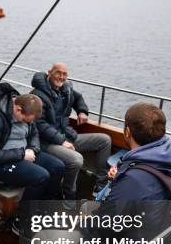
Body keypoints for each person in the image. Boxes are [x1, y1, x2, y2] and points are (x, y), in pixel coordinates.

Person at [36, 103, 171, 244]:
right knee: (85, 209)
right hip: (143, 236)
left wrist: (84, 224)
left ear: (127, 132)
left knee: (42, 239)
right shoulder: (169, 156)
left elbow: (107, 227)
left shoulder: (134, 180)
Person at [0, 83, 65, 200]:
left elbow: (34, 133)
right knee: (41, 176)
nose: (26, 123)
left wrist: (32, 148)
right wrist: (22, 154)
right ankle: (23, 214)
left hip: (23, 154)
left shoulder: (27, 112)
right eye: (24, 120)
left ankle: (46, 204)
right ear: (18, 109)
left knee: (58, 167)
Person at [31, 63, 111, 199]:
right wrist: (61, 141)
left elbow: (78, 98)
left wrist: (82, 110)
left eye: (64, 74)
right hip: (46, 142)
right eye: (58, 73)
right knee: (76, 159)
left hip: (66, 135)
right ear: (49, 73)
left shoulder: (66, 89)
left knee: (105, 140)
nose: (61, 77)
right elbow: (39, 124)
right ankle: (68, 196)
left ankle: (101, 185)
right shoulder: (37, 96)